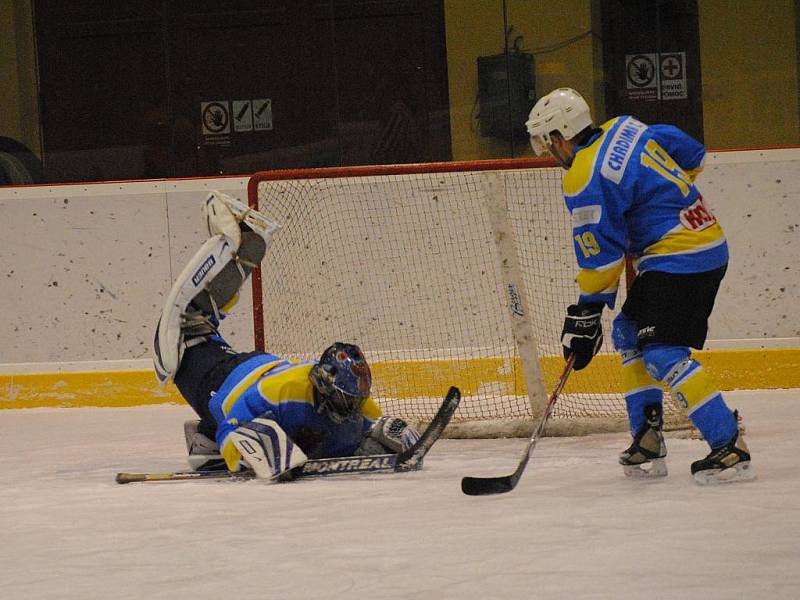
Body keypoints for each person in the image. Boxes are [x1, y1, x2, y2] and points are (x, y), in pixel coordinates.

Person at [525, 88, 754, 485]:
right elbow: (692, 153)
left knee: (663, 351)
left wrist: (587, 311)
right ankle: (647, 437)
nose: (548, 153)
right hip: (699, 242)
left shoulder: (584, 176)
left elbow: (602, 257)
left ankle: (728, 444)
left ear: (561, 136)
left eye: (548, 143)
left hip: (682, 258)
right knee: (628, 332)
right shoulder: (624, 128)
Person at [152, 191, 420, 481]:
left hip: (250, 365)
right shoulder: (282, 390)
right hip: (219, 379)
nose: (351, 408)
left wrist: (386, 436)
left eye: (353, 400)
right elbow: (227, 413)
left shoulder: (351, 398)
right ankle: (200, 306)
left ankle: (205, 444)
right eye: (344, 399)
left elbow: (371, 426)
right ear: (323, 385)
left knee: (272, 421)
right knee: (183, 337)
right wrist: (245, 450)